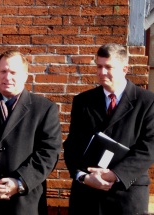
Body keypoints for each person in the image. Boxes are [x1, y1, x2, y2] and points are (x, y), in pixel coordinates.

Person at [63, 43, 154, 215]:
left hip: (127, 195)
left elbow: (149, 147)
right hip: (86, 196)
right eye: (99, 66)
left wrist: (115, 174)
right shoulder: (83, 102)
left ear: (124, 69)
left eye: (108, 67)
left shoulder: (147, 102)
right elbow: (72, 147)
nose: (101, 72)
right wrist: (83, 177)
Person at [0, 50, 62, 215]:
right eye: (3, 71)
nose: (7, 77)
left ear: (25, 76)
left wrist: (19, 182)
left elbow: (48, 153)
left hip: (24, 203)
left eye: (13, 72)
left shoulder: (44, 109)